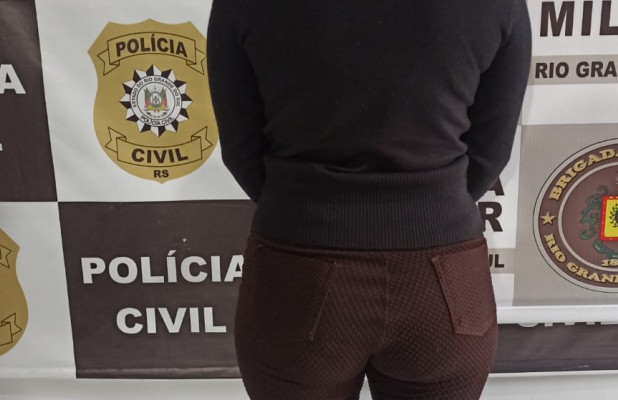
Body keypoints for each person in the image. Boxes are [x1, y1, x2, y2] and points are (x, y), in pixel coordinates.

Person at [207, 0, 530, 398]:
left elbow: (241, 148)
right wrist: (433, 207)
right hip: (441, 284)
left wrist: (301, 208)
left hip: (299, 273)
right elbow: (491, 150)